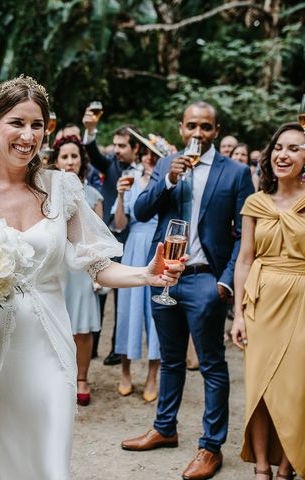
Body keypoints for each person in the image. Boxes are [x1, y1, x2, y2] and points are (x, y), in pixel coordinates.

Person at [0, 75, 184, 479]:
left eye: (37, 125)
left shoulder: (63, 187)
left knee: (50, 466)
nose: (28, 136)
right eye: (17, 123)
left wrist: (147, 273)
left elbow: (99, 264)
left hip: (48, 350)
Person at [124, 101, 255, 480]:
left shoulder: (237, 172)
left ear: (216, 131)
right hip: (165, 275)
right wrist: (168, 181)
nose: (198, 134)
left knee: (212, 365)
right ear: (181, 128)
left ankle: (210, 447)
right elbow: (143, 213)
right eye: (191, 126)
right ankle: (165, 428)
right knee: (170, 358)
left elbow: (241, 235)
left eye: (206, 127)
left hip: (204, 280)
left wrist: (224, 283)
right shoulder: (167, 164)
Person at [231, 123, 305, 480]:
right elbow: (244, 259)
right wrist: (239, 314)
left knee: (296, 388)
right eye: (279, 147)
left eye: (294, 148)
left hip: (301, 302)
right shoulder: (255, 202)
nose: (283, 155)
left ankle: (287, 467)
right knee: (258, 388)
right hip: (260, 302)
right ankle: (261, 467)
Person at [81, 109, 143, 365]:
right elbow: (93, 151)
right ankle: (91, 346)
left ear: (136, 148)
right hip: (105, 236)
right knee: (97, 290)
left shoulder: (144, 172)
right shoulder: (111, 165)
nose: (116, 150)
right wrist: (91, 130)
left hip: (130, 237)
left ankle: (117, 348)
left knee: (121, 294)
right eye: (115, 145)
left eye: (122, 146)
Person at [49, 135, 103, 406]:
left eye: (74, 156)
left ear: (82, 161)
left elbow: (99, 236)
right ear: (55, 161)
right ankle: (60, 377)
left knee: (81, 326)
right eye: (64, 156)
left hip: (80, 267)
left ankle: (82, 377)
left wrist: (96, 271)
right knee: (54, 323)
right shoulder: (44, 190)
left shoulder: (92, 194)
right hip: (55, 265)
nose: (70, 161)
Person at [112, 141, 161, 402]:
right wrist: (120, 196)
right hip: (133, 246)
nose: (150, 158)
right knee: (127, 310)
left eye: (156, 155)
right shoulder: (128, 179)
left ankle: (153, 376)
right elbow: (120, 225)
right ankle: (125, 371)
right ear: (140, 156)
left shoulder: (166, 180)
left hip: (158, 246)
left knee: (156, 313)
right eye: (146, 154)